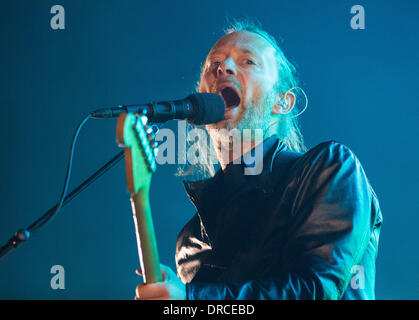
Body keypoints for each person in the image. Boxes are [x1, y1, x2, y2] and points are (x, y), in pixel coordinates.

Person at [134, 21, 382, 300]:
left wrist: (191, 298)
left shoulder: (329, 169)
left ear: (282, 102)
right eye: (213, 62)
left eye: (248, 61)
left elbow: (316, 291)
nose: (223, 67)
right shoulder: (190, 242)